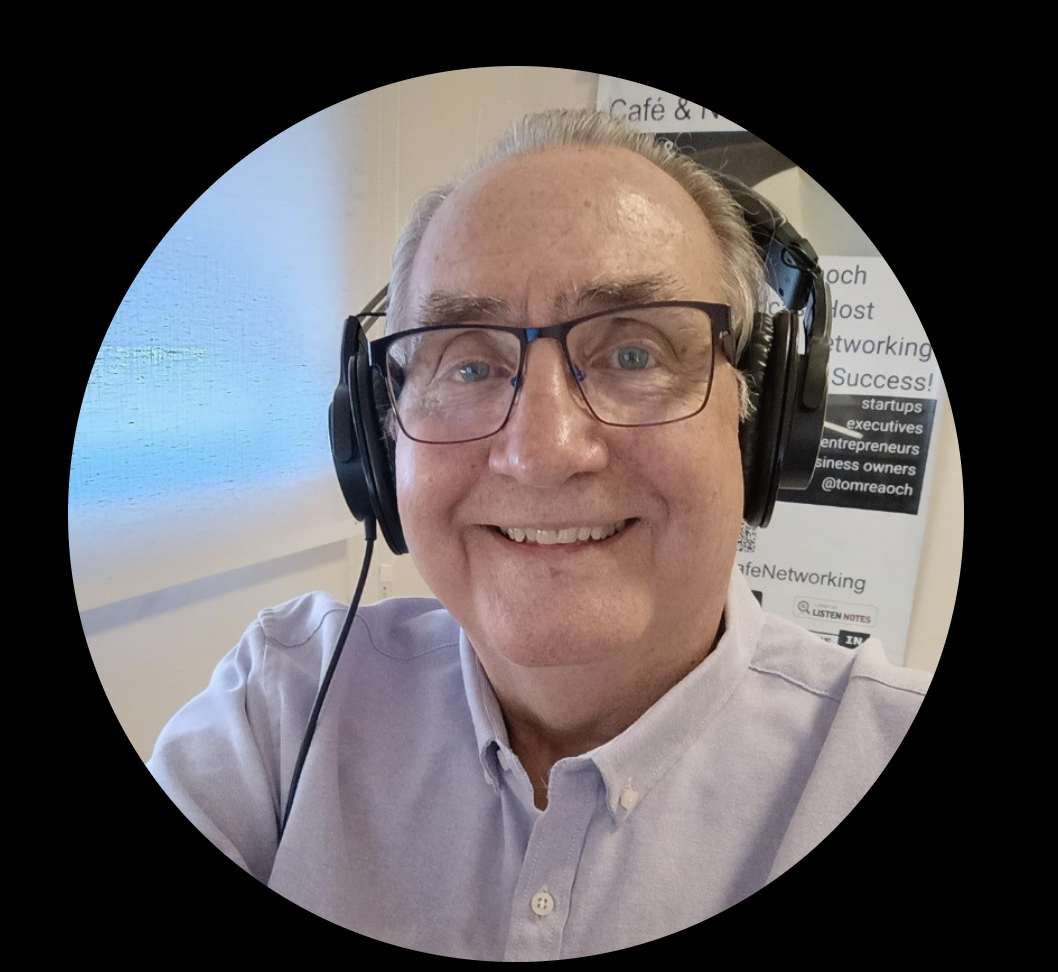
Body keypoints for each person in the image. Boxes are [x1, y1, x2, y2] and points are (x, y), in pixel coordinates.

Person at [148, 108, 930, 959]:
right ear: (377, 444)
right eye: (469, 364)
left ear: (760, 426)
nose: (541, 453)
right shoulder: (283, 704)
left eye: (634, 353)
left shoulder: (870, 753)